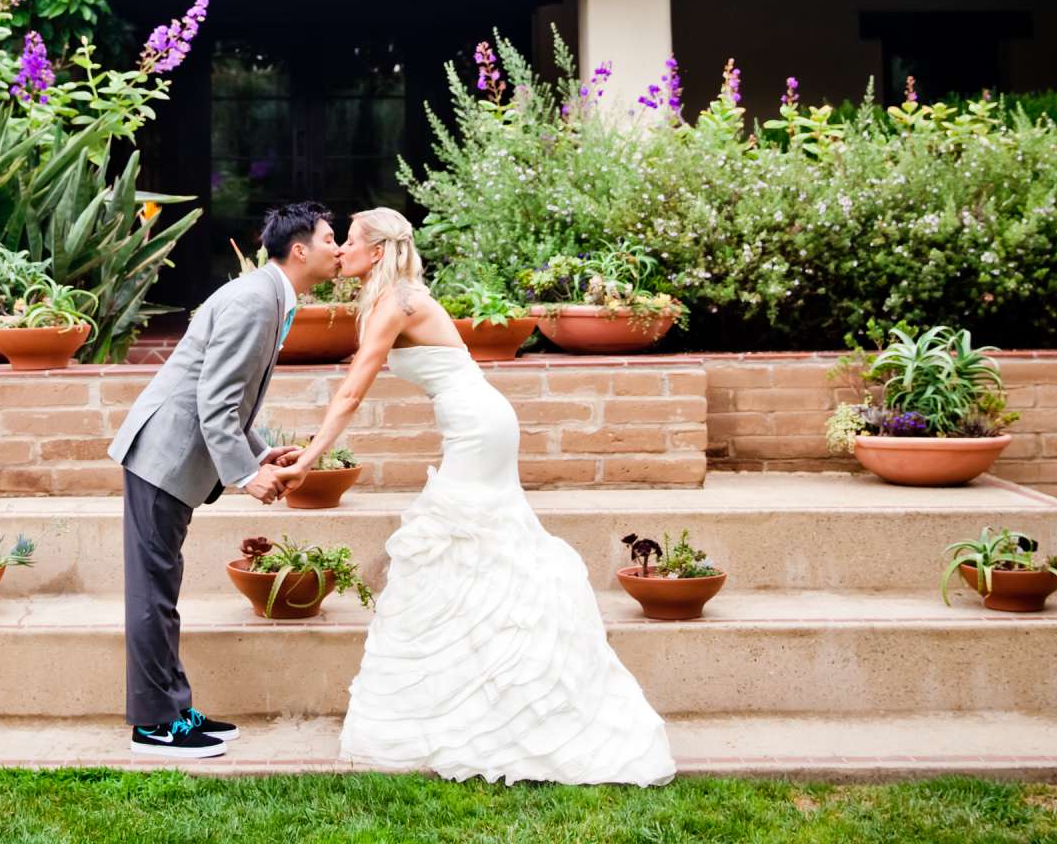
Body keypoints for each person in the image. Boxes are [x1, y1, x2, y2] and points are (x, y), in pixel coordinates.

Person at [288, 205, 674, 785]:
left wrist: (310, 457)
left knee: (463, 542)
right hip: (477, 419)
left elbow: (350, 394)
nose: (340, 248)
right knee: (469, 550)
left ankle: (511, 701)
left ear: (376, 252)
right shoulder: (395, 295)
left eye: (349, 240)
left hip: (477, 426)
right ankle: (477, 696)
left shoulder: (397, 302)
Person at [107, 201, 339, 758]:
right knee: (152, 593)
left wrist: (261, 452)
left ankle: (174, 709)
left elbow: (227, 398)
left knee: (161, 588)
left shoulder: (269, 296)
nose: (339, 248)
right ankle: (155, 725)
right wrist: (245, 476)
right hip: (162, 455)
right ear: (300, 249)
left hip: (173, 455)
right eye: (332, 238)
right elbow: (214, 399)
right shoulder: (256, 301)